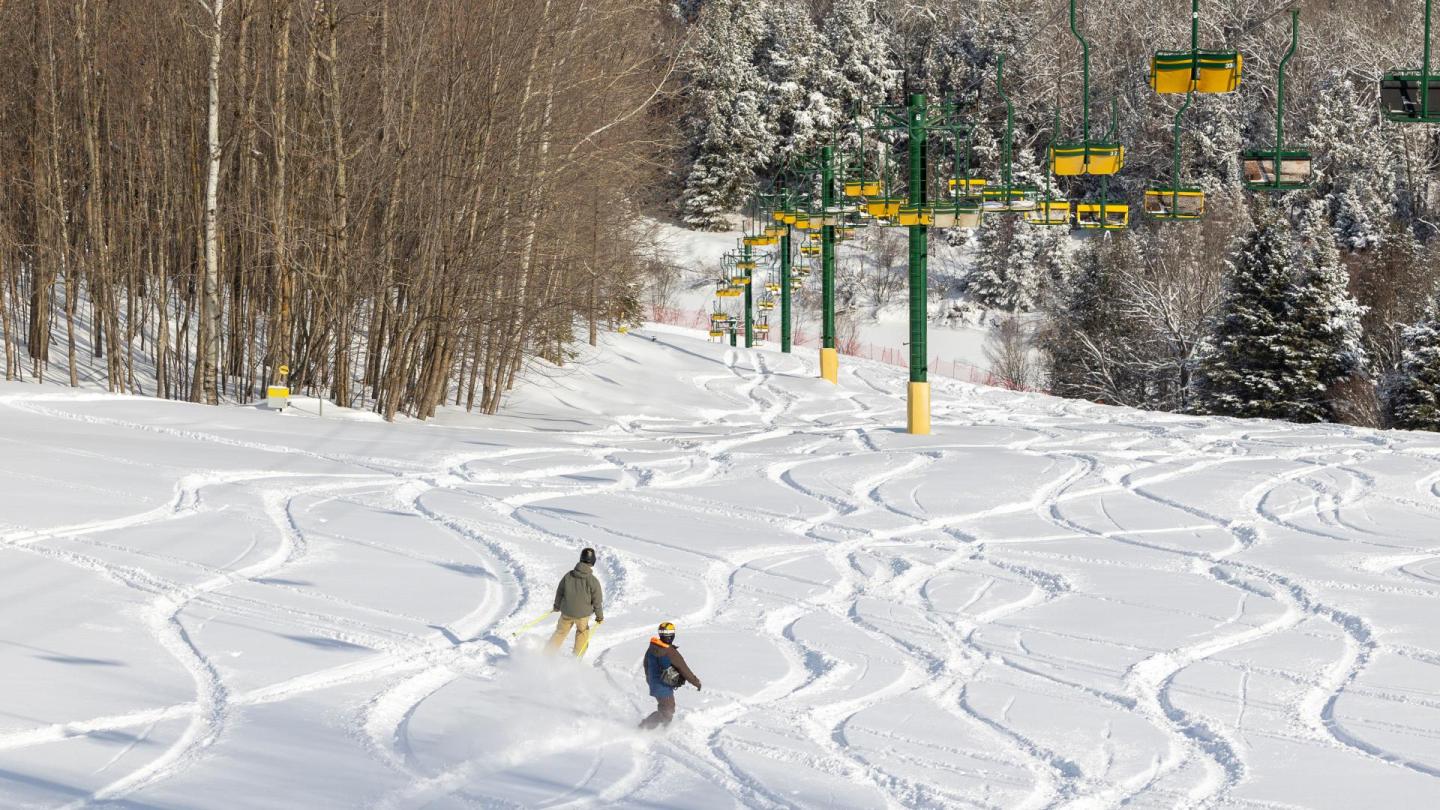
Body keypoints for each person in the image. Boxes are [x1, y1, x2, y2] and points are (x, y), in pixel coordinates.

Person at [639, 621, 702, 729]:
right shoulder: (669, 651)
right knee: (667, 711)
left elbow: (646, 665)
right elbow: (684, 669)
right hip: (662, 686)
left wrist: (649, 680)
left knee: (665, 708)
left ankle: (658, 728)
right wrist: (696, 682)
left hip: (654, 683)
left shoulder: (652, 648)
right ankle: (643, 728)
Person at [546, 548, 604, 656]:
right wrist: (599, 616)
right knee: (582, 632)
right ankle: (576, 658)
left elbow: (560, 592)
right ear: (593, 561)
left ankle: (548, 653)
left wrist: (557, 606)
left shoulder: (568, 575)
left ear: (581, 559)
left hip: (566, 612)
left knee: (560, 632)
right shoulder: (593, 581)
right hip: (582, 615)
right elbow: (597, 601)